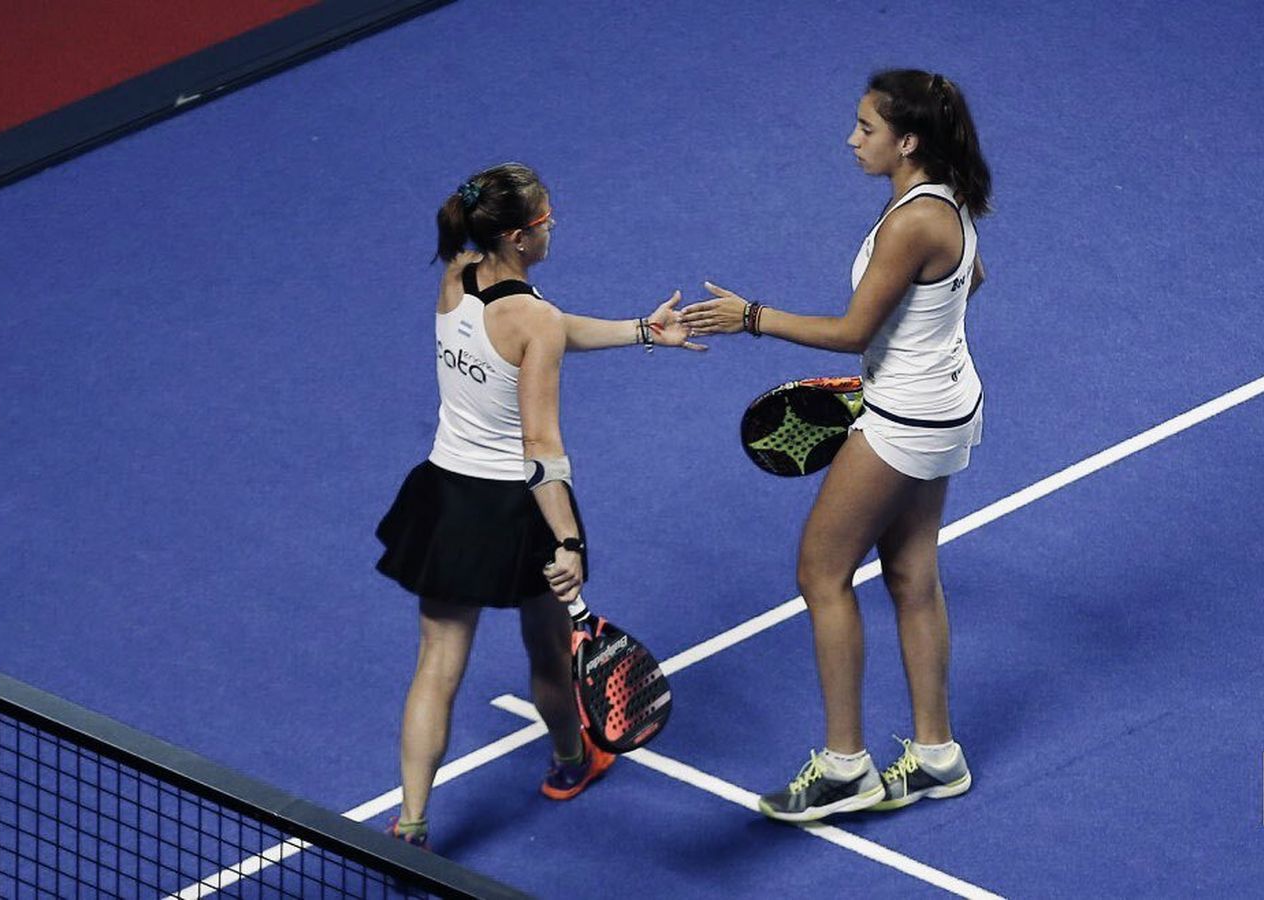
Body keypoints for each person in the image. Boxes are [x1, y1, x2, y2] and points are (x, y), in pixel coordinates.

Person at [681, 69, 992, 822]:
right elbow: (970, 278)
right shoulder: (941, 200)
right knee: (912, 571)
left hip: (906, 421)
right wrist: (908, 357)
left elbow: (852, 330)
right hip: (945, 402)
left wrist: (750, 317)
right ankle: (937, 754)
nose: (852, 140)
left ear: (907, 141)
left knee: (821, 573)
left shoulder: (911, 222)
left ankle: (846, 767)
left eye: (866, 129)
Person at [375, 162, 705, 847]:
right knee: (551, 654)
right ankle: (570, 762)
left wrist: (642, 329)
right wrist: (568, 544)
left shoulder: (457, 274)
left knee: (436, 663)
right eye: (547, 220)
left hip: (444, 498)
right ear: (523, 238)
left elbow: (545, 332)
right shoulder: (536, 320)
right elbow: (541, 448)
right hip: (517, 508)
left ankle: (409, 823)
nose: (555, 227)